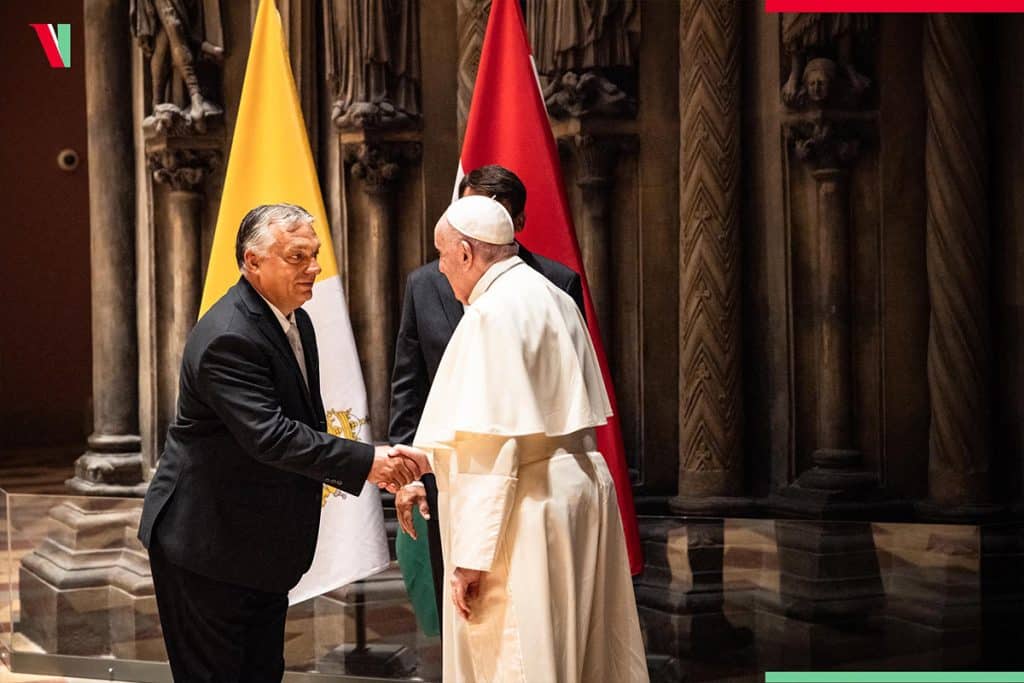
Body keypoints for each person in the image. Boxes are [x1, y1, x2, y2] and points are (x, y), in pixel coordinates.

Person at [138, 203, 422, 682]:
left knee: (263, 672)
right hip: (206, 545)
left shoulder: (293, 318)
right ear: (253, 262)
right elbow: (270, 436)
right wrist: (369, 463)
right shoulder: (229, 336)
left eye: (314, 255)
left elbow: (298, 420)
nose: (313, 268)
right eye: (297, 257)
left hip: (254, 546)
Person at [395, 196, 648, 682]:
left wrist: (472, 556)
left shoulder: (490, 314)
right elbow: (525, 421)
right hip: (572, 493)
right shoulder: (551, 295)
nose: (442, 272)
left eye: (444, 257)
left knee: (517, 655)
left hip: (522, 510)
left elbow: (494, 446)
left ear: (467, 253)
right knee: (578, 648)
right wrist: (426, 459)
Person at [389, 164, 585, 624]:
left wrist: (474, 554)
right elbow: (408, 384)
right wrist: (409, 471)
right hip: (453, 477)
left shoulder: (548, 288)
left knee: (510, 626)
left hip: (521, 490)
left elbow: (503, 433)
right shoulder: (425, 284)